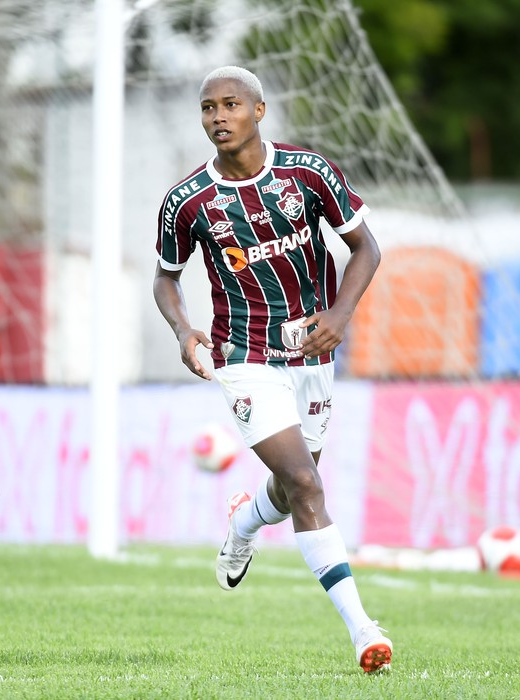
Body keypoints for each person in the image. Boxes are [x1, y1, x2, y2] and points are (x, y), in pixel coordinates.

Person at [153, 67, 392, 672]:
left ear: (259, 111)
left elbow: (367, 247)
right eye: (208, 108)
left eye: (231, 104)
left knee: (292, 489)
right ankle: (363, 630)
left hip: (312, 353)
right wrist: (185, 332)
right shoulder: (188, 201)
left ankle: (244, 521)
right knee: (309, 485)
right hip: (245, 358)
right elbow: (165, 277)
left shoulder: (308, 173)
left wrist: (340, 314)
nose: (218, 117)